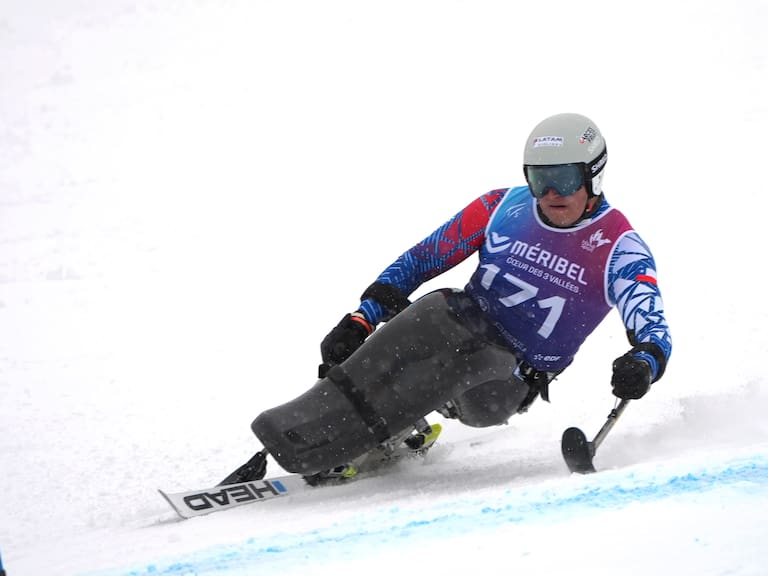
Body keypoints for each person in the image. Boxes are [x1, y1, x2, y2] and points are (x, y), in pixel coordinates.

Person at [225, 112, 672, 485]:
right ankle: (305, 426)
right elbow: (422, 260)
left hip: (507, 382)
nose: (550, 193)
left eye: (563, 178)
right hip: (456, 328)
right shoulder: (502, 206)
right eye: (539, 179)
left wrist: (643, 361)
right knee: (434, 310)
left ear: (592, 175)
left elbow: (654, 330)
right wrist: (362, 319)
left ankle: (346, 441)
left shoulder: (619, 247)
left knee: (449, 333)